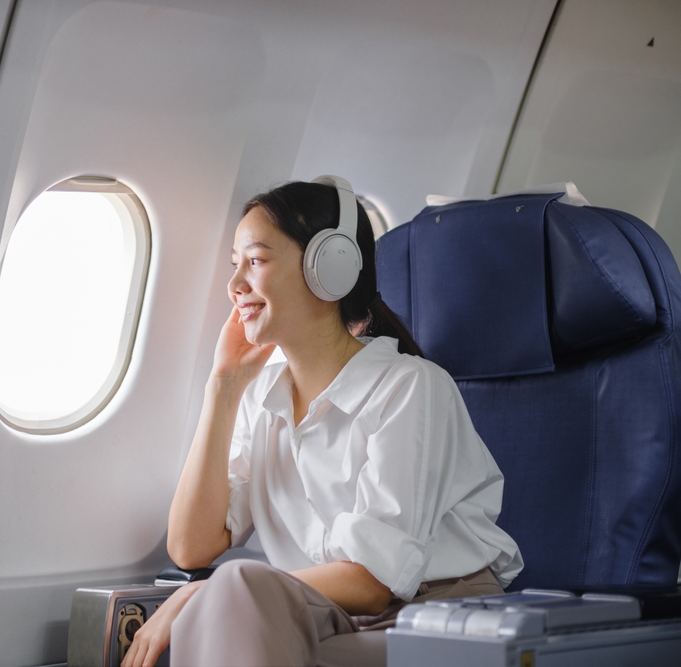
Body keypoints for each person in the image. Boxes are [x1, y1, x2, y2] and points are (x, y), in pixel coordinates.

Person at [122, 178, 523, 667]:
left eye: (256, 260)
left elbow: (371, 582)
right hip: (327, 611)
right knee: (228, 601)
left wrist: (202, 597)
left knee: (232, 595)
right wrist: (223, 387)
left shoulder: (411, 388)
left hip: (436, 615)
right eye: (235, 265)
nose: (234, 286)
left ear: (328, 269)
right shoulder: (261, 397)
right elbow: (191, 547)